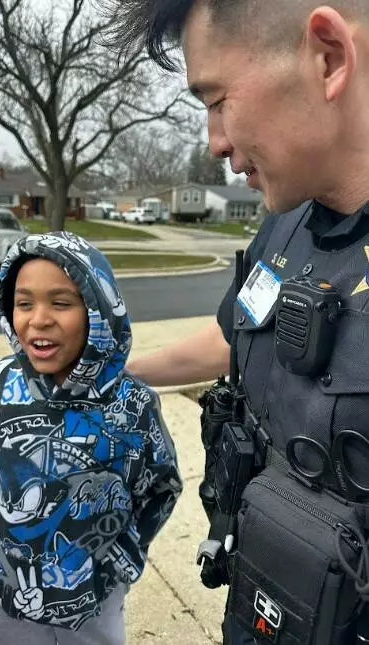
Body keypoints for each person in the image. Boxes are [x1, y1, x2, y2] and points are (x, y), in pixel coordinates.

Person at [106, 1, 369, 643]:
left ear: (328, 57)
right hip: (266, 595)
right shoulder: (287, 223)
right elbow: (237, 335)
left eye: (218, 99)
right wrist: (105, 375)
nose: (214, 141)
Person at [0, 232, 182, 645]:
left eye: (61, 303)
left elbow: (161, 485)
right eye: (24, 303)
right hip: (7, 596)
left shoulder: (132, 405)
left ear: (96, 310)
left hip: (94, 602)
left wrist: (119, 562)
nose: (39, 319)